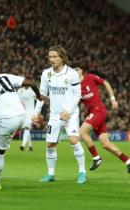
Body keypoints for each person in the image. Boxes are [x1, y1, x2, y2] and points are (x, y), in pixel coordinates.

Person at [32, 45, 87, 184]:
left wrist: (68, 111)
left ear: (62, 57)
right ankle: (50, 174)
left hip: (71, 113)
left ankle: (82, 172)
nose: (52, 59)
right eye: (50, 57)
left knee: (73, 140)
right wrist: (36, 112)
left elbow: (77, 95)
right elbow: (42, 95)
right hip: (55, 115)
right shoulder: (46, 73)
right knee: (50, 144)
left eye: (55, 56)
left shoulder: (72, 73)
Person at [73, 62, 130, 172]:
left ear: (81, 70)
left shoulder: (90, 77)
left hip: (98, 110)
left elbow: (106, 83)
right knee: (105, 143)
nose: (74, 72)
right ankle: (128, 161)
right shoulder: (75, 87)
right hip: (92, 113)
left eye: (76, 69)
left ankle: (96, 157)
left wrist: (113, 99)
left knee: (82, 132)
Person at [18, 86, 36, 151]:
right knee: (27, 129)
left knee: (26, 128)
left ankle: (23, 144)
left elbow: (37, 97)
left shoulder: (32, 90)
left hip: (31, 112)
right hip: (22, 112)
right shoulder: (19, 91)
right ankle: (30, 146)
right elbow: (17, 100)